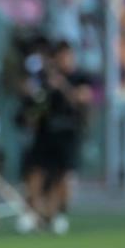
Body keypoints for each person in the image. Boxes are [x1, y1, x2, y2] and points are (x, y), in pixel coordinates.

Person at [24, 41, 92, 234]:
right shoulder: (44, 79)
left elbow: (82, 99)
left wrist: (62, 85)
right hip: (45, 132)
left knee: (62, 175)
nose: (66, 61)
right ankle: (35, 214)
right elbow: (34, 104)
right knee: (37, 172)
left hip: (68, 132)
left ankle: (56, 214)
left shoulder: (79, 77)